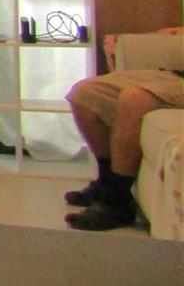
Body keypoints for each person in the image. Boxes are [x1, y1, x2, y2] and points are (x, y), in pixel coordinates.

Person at [63, 66, 184, 230]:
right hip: (176, 75)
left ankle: (116, 199)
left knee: (135, 99)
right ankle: (106, 182)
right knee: (84, 93)